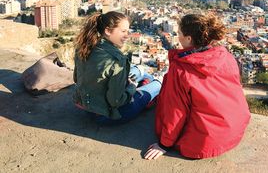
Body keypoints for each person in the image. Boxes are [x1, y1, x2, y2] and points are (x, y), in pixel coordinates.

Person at [144, 13, 251, 160]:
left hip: (205, 143)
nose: (177, 36)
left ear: (188, 39)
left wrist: (164, 145)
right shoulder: (225, 55)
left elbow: (175, 111)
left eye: (179, 33)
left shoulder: (181, 69)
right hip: (235, 130)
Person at [73, 11, 161, 125]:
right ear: (108, 31)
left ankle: (142, 87)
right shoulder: (117, 60)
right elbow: (116, 101)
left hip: (85, 104)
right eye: (123, 31)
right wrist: (131, 88)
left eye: (128, 31)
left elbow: (76, 78)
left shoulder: (84, 47)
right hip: (105, 115)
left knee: (141, 71)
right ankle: (142, 93)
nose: (127, 35)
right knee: (158, 83)